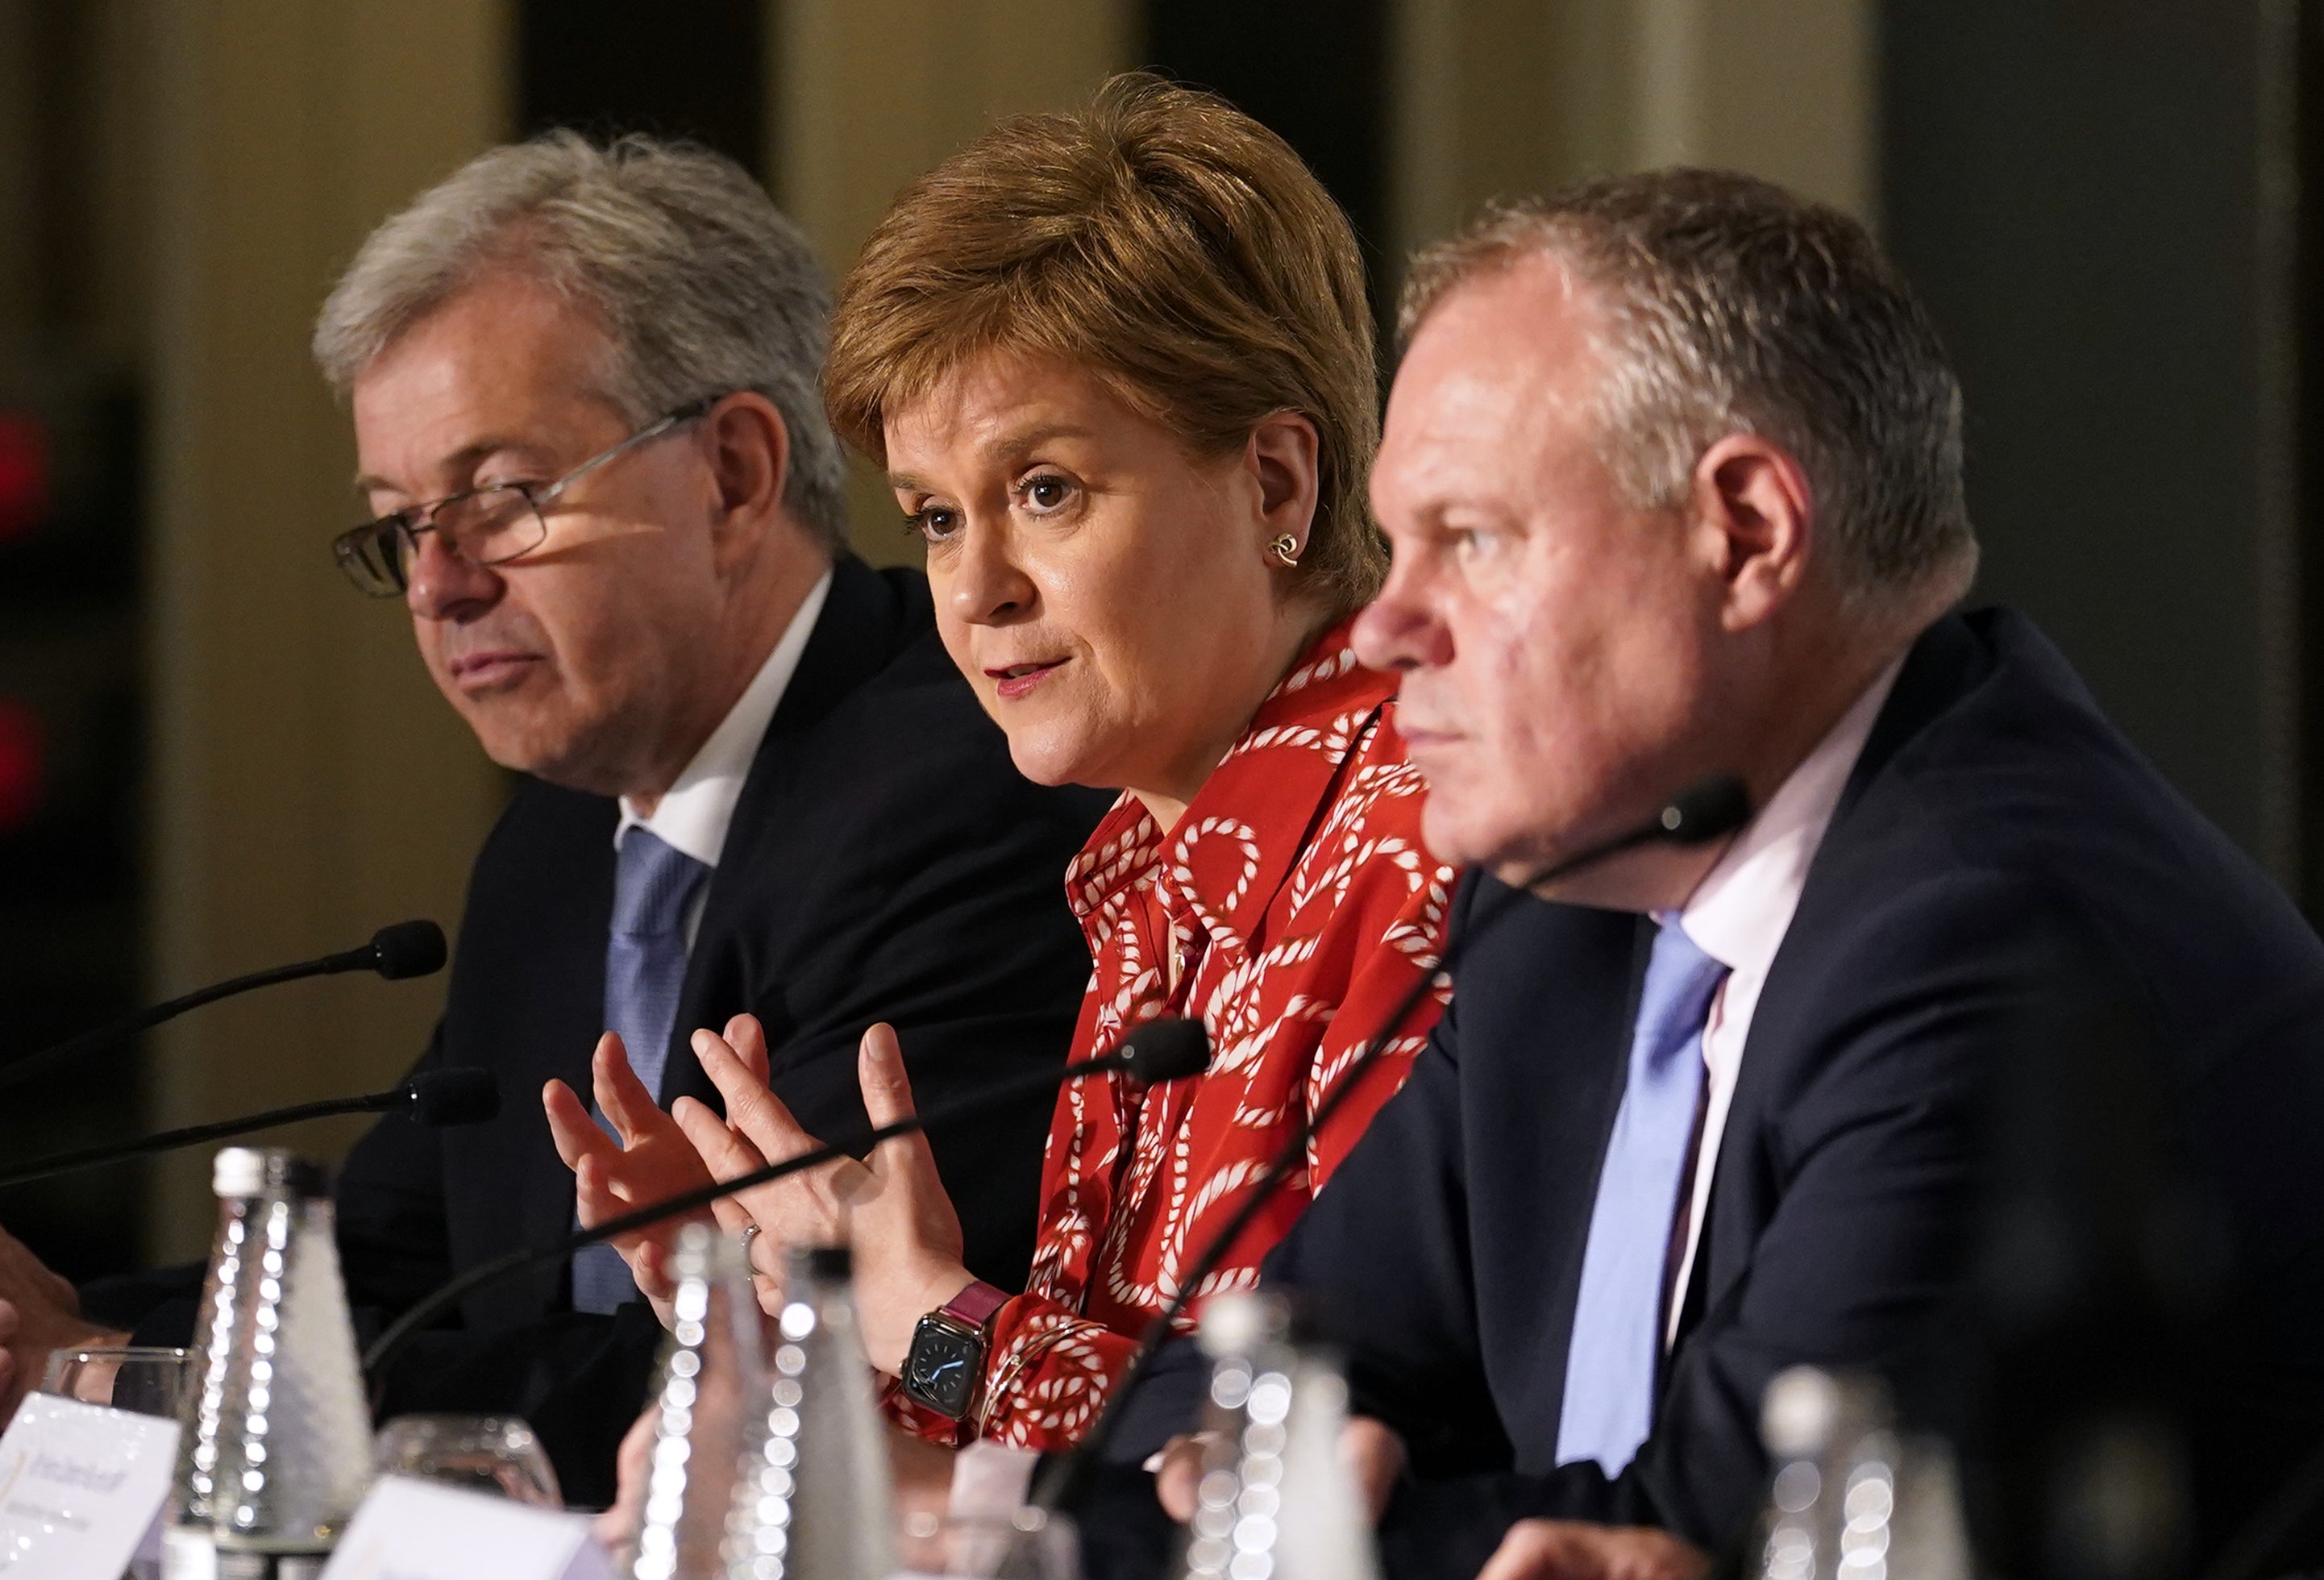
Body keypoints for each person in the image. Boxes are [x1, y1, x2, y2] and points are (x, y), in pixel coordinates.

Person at [1114, 171, 2324, 1580]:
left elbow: (1739, 1529)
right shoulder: (1587, 890)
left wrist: (1288, 1522)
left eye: (1473, 540)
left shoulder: (1994, 924)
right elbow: (1236, 1381)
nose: (1387, 628)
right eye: (1398, 547)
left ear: (1744, 531)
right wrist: (1238, 1483)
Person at [1, 132, 1108, 1504]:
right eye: (402, 525)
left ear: (736, 476)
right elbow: (408, 1275)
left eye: (500, 500)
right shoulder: (557, 844)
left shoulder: (963, 792)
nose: (436, 587)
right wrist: (47, 1325)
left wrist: (101, 1370)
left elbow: (766, 1375)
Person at [556, 75, 1459, 1459]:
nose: (973, 590)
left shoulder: (1420, 839)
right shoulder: (1143, 874)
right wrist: (785, 1305)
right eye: (932, 515)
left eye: (1047, 490)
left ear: (1277, 484)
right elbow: (1042, 1465)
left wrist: (930, 1315)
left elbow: (1277, 1472)